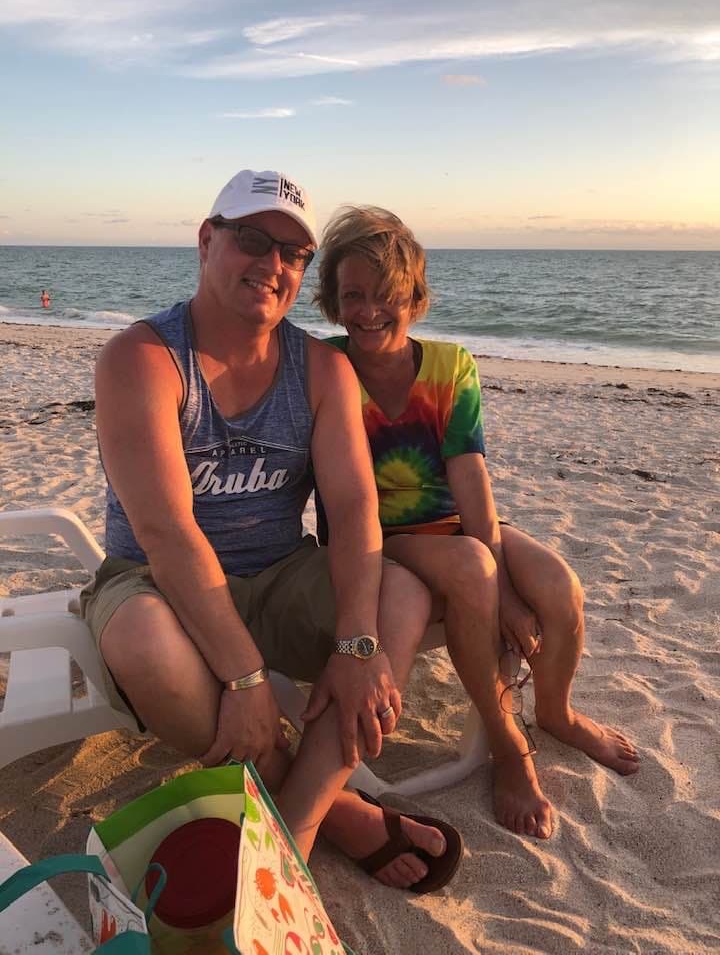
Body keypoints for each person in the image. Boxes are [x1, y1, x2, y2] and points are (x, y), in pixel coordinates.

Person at [81, 171, 462, 894]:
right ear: (206, 240)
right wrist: (247, 677)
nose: (274, 265)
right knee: (142, 645)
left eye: (294, 253)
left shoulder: (319, 369)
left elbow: (351, 511)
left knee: (403, 595)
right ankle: (337, 813)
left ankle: (292, 820)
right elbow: (165, 534)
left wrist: (356, 645)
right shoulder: (142, 360)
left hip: (281, 570)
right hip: (154, 584)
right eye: (253, 240)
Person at [314, 205, 640, 840]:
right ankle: (506, 742)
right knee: (470, 564)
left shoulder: (450, 367)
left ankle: (555, 713)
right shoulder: (324, 367)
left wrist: (512, 594)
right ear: (331, 298)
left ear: (415, 296)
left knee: (558, 587)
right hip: (375, 541)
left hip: (452, 524)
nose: (370, 310)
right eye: (352, 294)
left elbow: (470, 479)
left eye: (388, 295)